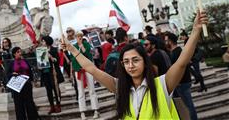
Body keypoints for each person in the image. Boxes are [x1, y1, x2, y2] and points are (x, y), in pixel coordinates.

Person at [61, 10, 208, 119]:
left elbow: (181, 63)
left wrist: (195, 31)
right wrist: (72, 49)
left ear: (145, 62)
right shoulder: (119, 87)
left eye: (135, 60)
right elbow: (91, 68)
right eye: (126, 62)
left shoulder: (162, 84)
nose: (130, 65)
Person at [165, 31, 198, 120]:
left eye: (166, 40)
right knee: (187, 106)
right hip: (181, 82)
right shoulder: (174, 52)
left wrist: (178, 81)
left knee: (189, 106)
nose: (165, 43)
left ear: (170, 41)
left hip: (183, 82)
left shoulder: (177, 52)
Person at [71, 31, 100, 120]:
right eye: (77, 36)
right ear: (75, 37)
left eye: (80, 36)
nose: (79, 38)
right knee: (81, 91)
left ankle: (96, 110)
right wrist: (75, 70)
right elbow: (73, 59)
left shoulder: (87, 44)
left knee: (92, 89)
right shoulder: (73, 47)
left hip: (88, 70)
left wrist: (82, 46)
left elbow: (89, 55)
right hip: (79, 71)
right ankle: (82, 112)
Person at [6, 47, 39, 120]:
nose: (20, 53)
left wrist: (33, 81)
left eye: (20, 51)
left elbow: (30, 71)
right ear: (14, 54)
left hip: (27, 85)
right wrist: (12, 74)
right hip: (17, 87)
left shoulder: (25, 61)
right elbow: (8, 74)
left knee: (29, 103)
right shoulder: (11, 63)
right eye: (18, 52)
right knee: (19, 105)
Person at [41, 35, 64, 114]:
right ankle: (52, 106)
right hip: (46, 73)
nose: (42, 42)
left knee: (56, 89)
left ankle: (58, 105)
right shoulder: (41, 50)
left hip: (53, 72)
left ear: (47, 41)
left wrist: (50, 57)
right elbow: (40, 62)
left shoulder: (54, 49)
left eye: (43, 41)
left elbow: (57, 61)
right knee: (48, 90)